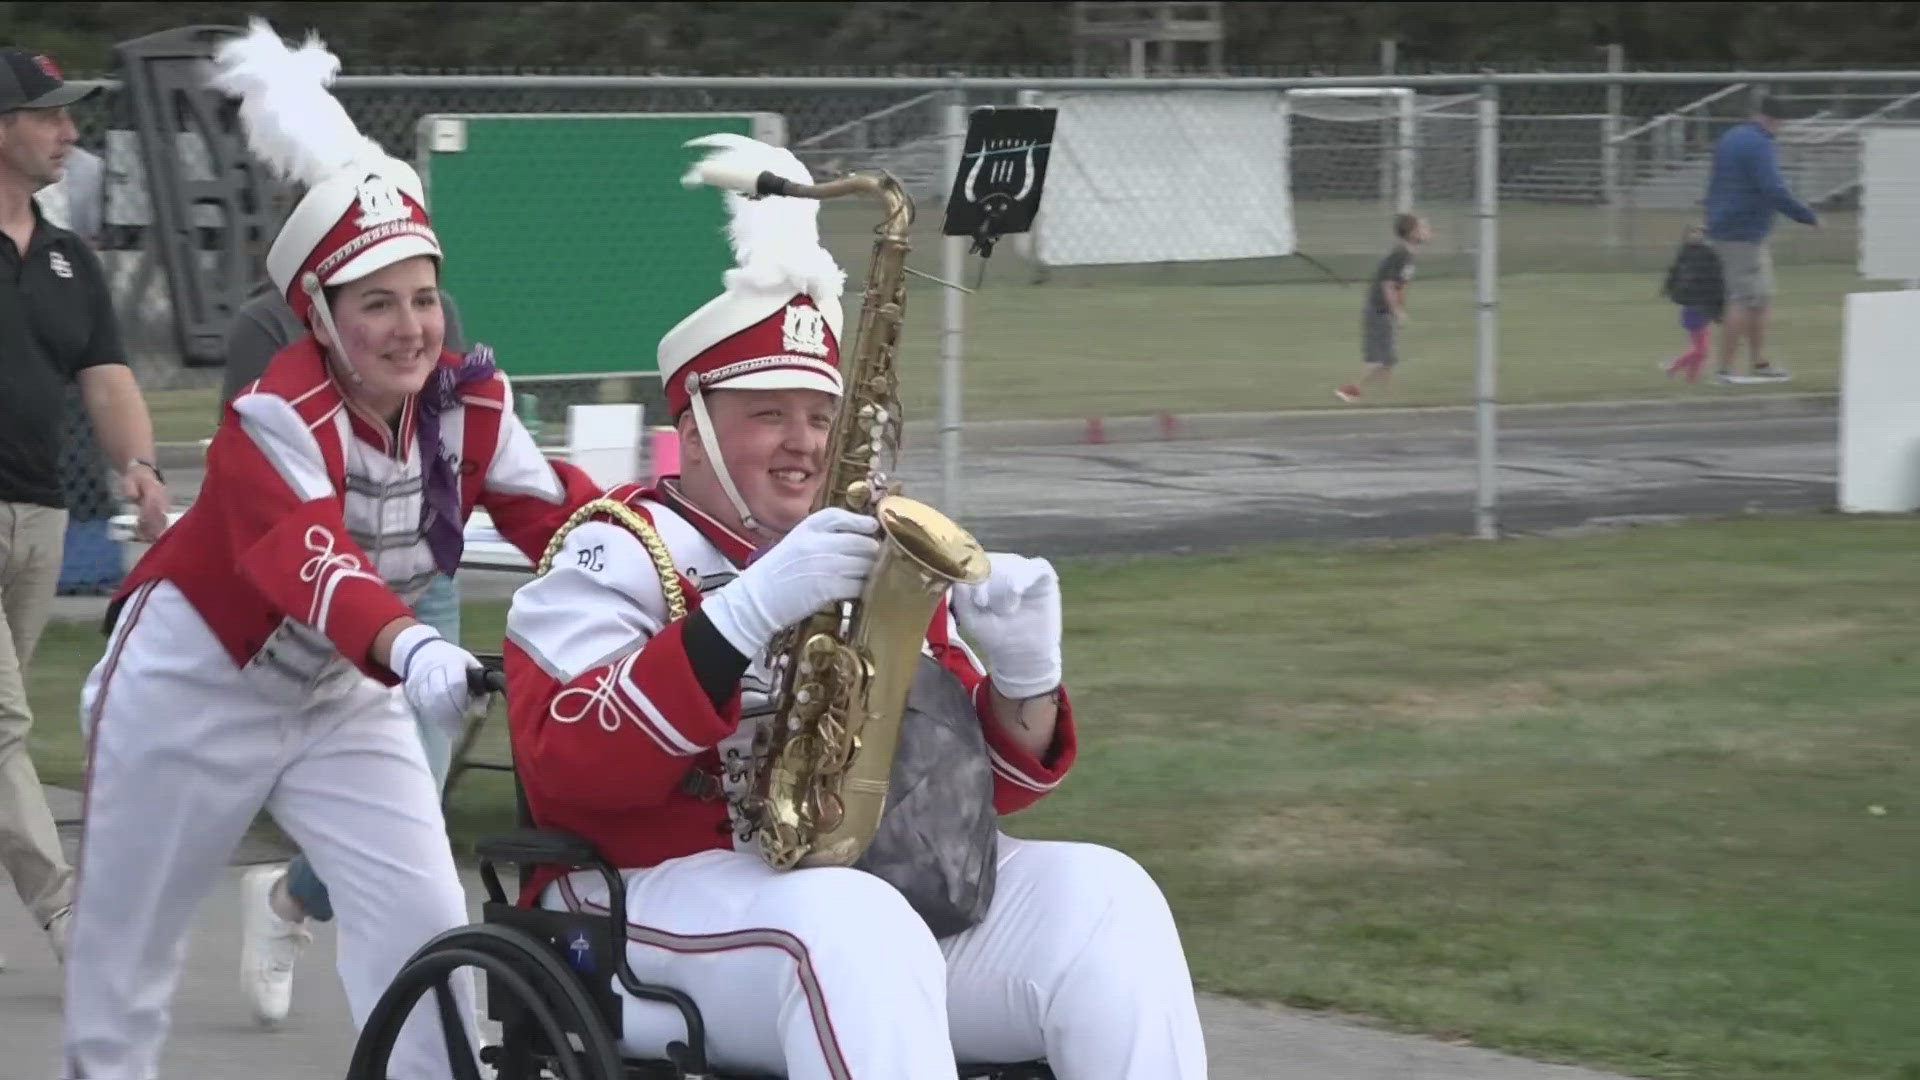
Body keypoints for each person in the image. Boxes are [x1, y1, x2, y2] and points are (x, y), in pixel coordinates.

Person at [502, 134, 1207, 1080]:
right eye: (769, 414)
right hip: (641, 899)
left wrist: (1026, 681)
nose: (805, 443)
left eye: (822, 415)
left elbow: (965, 798)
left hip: (860, 899)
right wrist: (740, 617)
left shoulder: (865, 545)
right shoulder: (612, 551)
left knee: (1109, 898)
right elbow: (568, 766)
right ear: (696, 429)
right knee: (852, 925)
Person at [59, 21, 598, 1080]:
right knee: (125, 968)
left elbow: (568, 521)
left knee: (428, 924)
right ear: (320, 315)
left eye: (423, 297)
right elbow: (313, 563)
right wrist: (413, 652)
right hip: (194, 684)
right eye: (376, 305)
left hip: (341, 700)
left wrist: (692, 571)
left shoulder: (468, 400)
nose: (410, 329)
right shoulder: (275, 409)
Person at [221, 267, 473, 1027]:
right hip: (316, 593)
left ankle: (289, 895)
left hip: (423, 576)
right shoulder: (263, 325)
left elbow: (446, 424)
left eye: (419, 297)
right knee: (371, 816)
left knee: (419, 797)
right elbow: (259, 468)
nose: (410, 319)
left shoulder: (437, 316)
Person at [0, 47, 169, 975]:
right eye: (50, 115)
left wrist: (138, 468)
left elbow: (105, 379)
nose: (70, 133)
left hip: (41, 517)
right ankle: (72, 919)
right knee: (3, 726)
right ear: (2, 126)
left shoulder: (68, 259)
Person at [1702, 96, 1818, 384]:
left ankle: (1760, 362)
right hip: (1742, 232)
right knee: (1742, 298)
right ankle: (1725, 370)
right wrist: (1806, 216)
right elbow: (1773, 188)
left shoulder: (1732, 137)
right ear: (1773, 120)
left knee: (1761, 298)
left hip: (1731, 227)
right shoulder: (1759, 143)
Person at [1337, 211, 1429, 403]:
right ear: (1412, 233)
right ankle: (1350, 390)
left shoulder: (1407, 255)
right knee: (1378, 359)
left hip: (1383, 311)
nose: (1428, 231)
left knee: (1388, 360)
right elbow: (1388, 285)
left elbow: (1399, 286)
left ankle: (1387, 396)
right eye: (1422, 228)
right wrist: (1397, 311)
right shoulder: (1401, 255)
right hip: (1379, 311)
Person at [1660, 224, 1726, 384]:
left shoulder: (1709, 253)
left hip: (1705, 303)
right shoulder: (1685, 253)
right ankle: (1674, 366)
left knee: (1701, 347)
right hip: (1692, 305)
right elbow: (1674, 273)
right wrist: (1669, 288)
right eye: (1692, 232)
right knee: (1702, 350)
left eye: (1700, 232)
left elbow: (1717, 278)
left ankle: (1692, 379)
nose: (1696, 235)